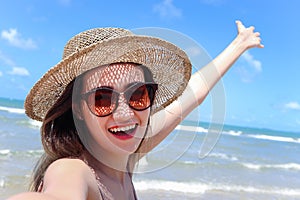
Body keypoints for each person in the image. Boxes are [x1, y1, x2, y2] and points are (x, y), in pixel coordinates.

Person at [7, 20, 263, 200]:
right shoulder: (74, 170)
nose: (125, 113)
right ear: (78, 109)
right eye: (102, 98)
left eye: (138, 95)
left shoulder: (124, 158)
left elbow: (193, 94)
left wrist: (239, 45)